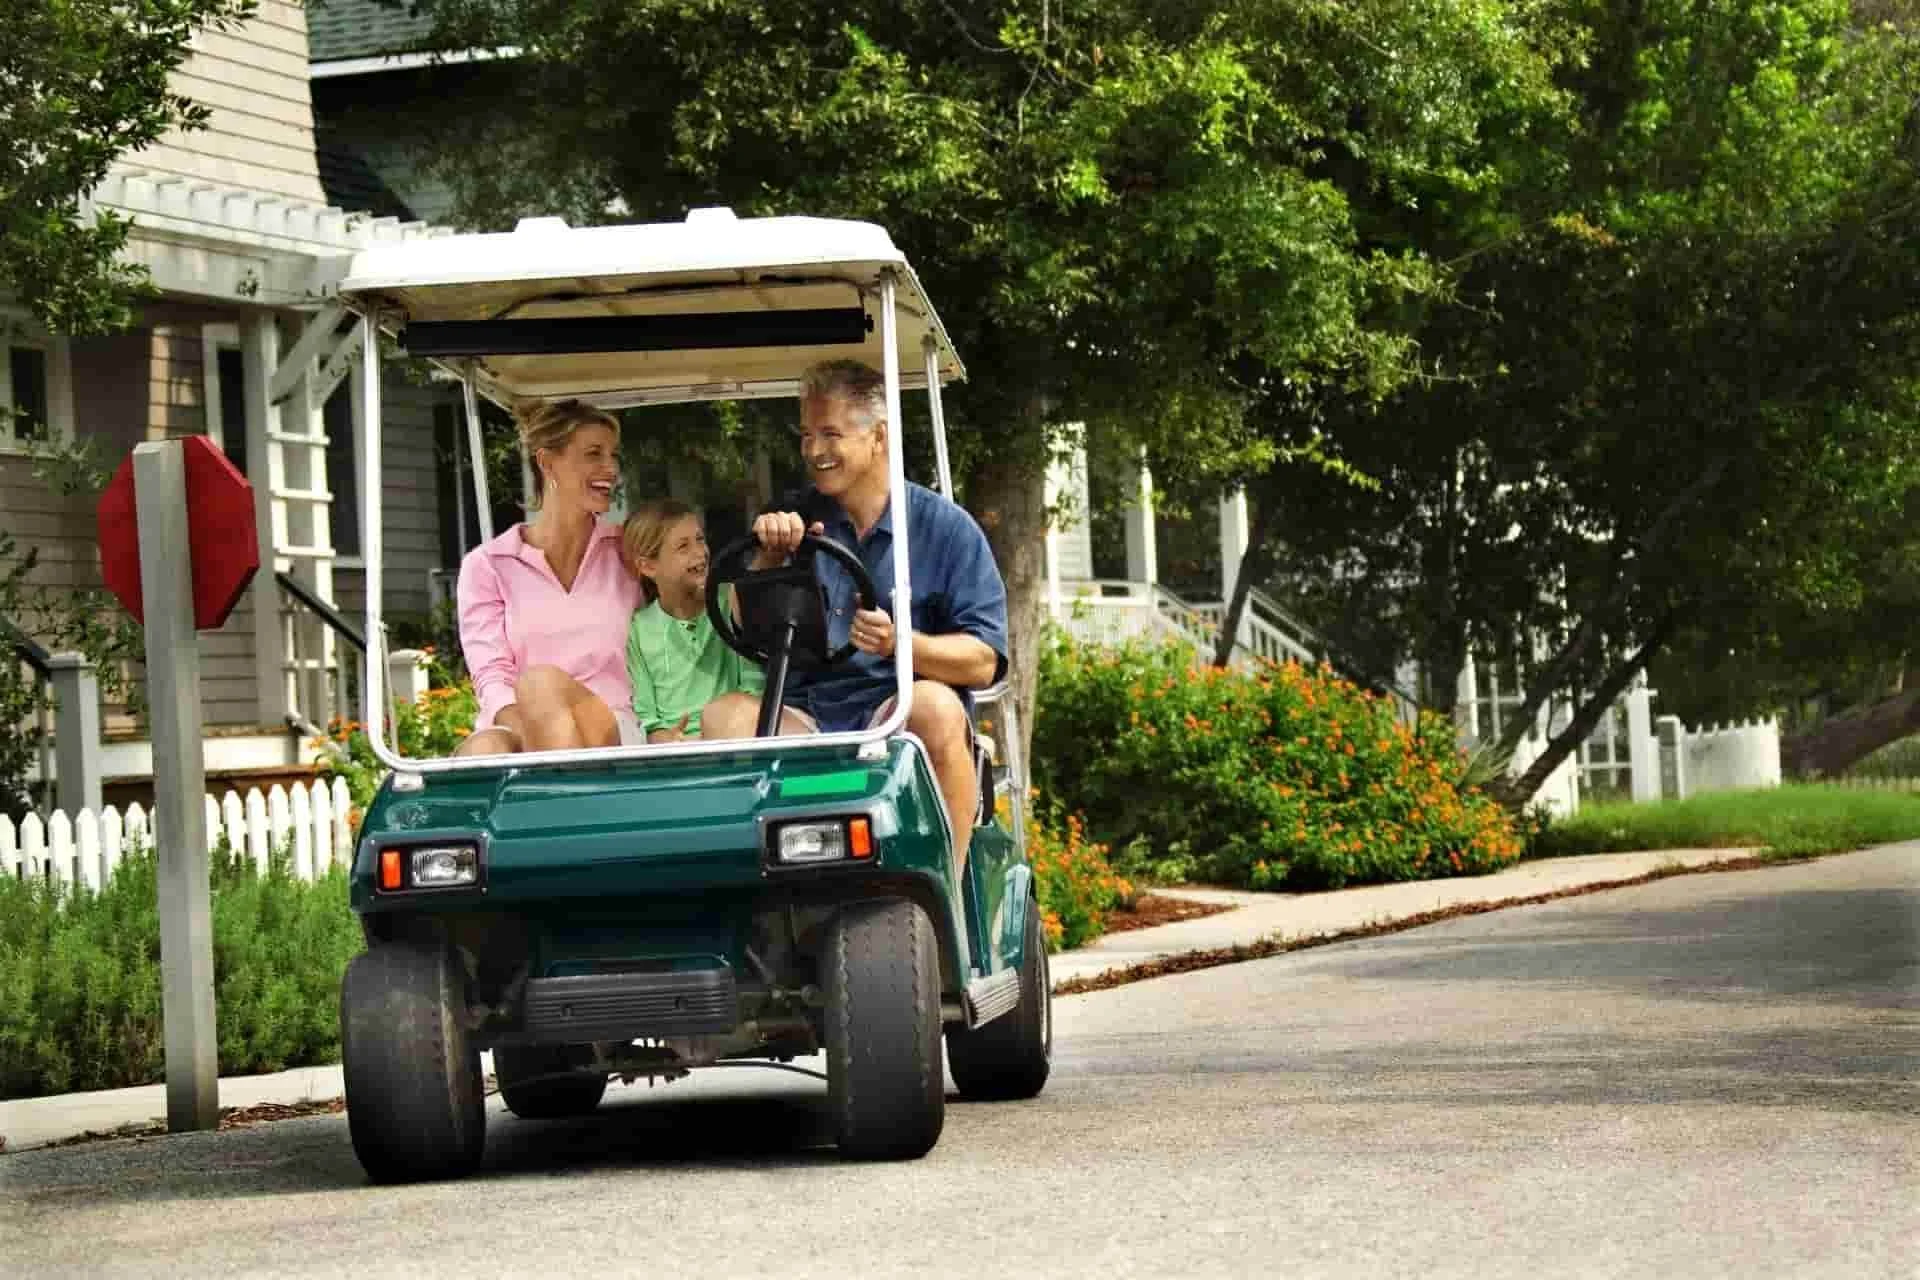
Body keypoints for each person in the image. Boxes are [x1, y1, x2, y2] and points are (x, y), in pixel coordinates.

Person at [703, 360, 1007, 858]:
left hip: (895, 714)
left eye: (830, 434)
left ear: (878, 437)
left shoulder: (946, 529)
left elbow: (983, 661)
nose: (814, 451)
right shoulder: (794, 520)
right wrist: (770, 559)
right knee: (722, 718)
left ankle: (946, 893)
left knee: (933, 705)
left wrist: (898, 645)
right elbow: (744, 628)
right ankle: (754, 904)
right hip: (807, 716)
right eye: (806, 435)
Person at [455, 399, 642, 755]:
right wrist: (535, 733)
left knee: (541, 684)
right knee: (485, 749)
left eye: (612, 455)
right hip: (523, 727)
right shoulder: (488, 564)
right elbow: (492, 675)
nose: (610, 468)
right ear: (547, 462)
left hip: (612, 727)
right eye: (594, 454)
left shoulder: (627, 549)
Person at [621, 498, 771, 741]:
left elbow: (753, 687)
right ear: (648, 567)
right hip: (676, 754)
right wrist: (666, 739)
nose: (700, 553)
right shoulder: (640, 628)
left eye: (700, 539)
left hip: (734, 735)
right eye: (683, 546)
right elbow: (647, 717)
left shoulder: (729, 601)